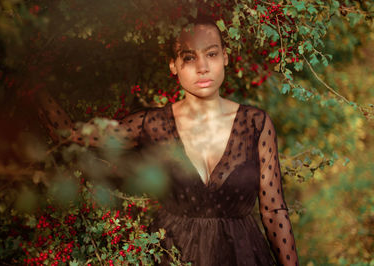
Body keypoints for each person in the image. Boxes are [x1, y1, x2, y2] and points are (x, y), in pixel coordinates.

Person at [37, 16, 299, 266]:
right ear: (173, 65)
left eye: (211, 54)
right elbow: (71, 135)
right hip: (171, 255)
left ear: (225, 57)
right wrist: (32, 85)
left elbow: (274, 211)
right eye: (188, 57)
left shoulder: (256, 124)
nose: (202, 67)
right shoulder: (151, 125)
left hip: (243, 257)